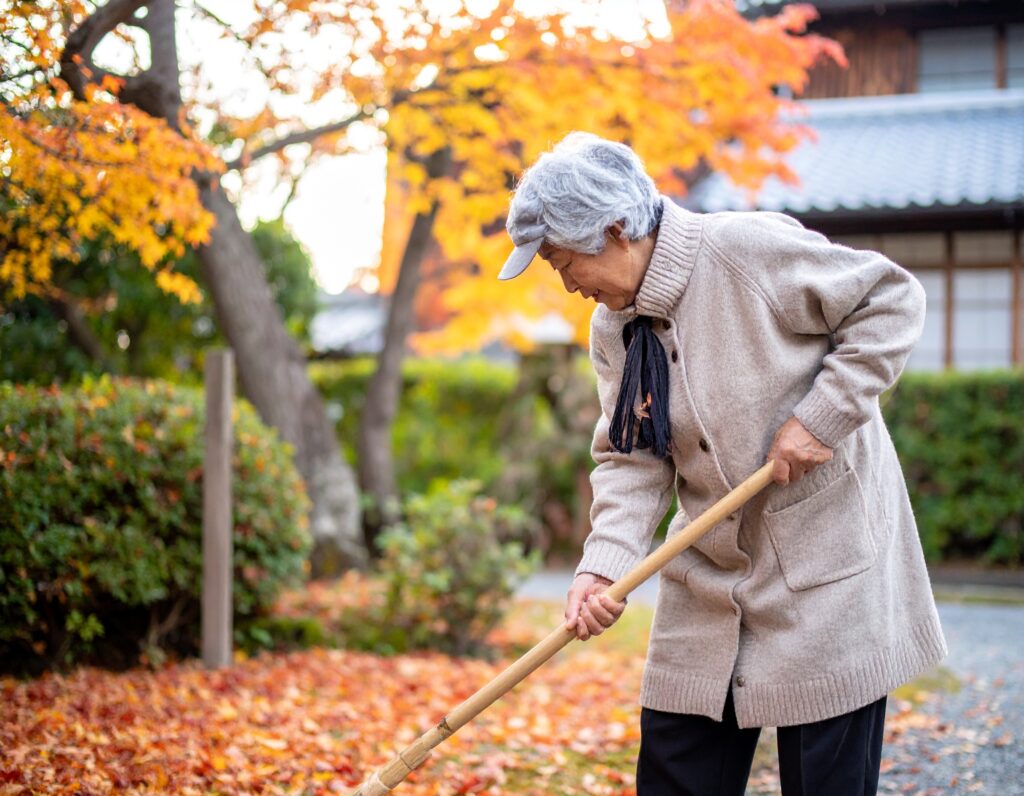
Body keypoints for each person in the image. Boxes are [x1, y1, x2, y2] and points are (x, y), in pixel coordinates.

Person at [497, 131, 947, 796]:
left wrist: (821, 416)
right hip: (707, 577)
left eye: (565, 263)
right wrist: (603, 566)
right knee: (676, 767)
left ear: (616, 231)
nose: (567, 286)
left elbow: (891, 300)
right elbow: (631, 456)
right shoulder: (615, 329)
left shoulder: (745, 250)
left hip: (827, 571)